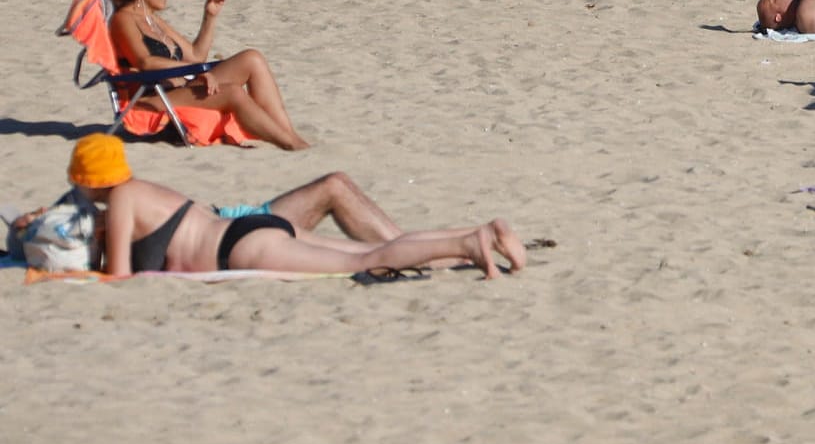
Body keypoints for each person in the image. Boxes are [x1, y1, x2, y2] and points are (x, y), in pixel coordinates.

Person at [63, 135, 524, 278]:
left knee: (366, 259)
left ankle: (471, 241)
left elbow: (120, 278)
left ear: (87, 181)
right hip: (247, 229)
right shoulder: (142, 190)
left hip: (241, 249)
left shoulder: (121, 200)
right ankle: (475, 239)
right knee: (362, 254)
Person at [103, 0, 311, 150]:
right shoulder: (124, 19)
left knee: (252, 58)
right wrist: (195, 71)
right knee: (233, 92)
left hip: (177, 90)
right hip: (150, 98)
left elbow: (195, 56)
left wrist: (210, 16)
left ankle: (290, 135)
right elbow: (144, 62)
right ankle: (291, 145)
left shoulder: (152, 18)